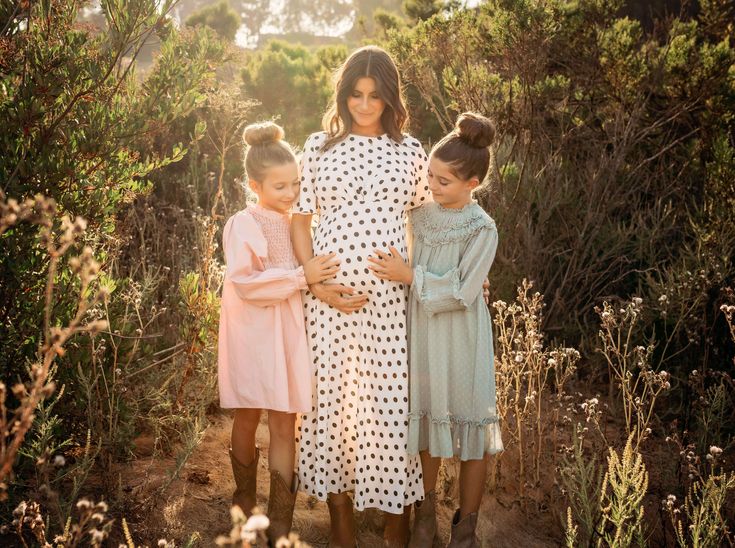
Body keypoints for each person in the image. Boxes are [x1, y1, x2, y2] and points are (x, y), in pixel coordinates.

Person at [290, 45, 430, 548]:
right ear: (343, 94)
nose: (365, 105)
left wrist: (424, 271)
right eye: (356, 94)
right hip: (326, 305)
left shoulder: (412, 152)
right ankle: (341, 525)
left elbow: (426, 221)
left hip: (389, 304)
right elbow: (300, 220)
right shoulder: (317, 147)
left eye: (375, 96)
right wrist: (313, 280)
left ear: (390, 98)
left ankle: (397, 526)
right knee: (331, 409)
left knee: (389, 410)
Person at [367, 112, 503, 548]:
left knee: (472, 436)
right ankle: (424, 516)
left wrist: (410, 277)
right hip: (424, 335)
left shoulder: (483, 228)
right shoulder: (419, 217)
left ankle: (466, 531)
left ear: (473, 183)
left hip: (463, 338)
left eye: (443, 181)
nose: (432, 186)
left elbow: (464, 292)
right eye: (430, 175)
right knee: (426, 425)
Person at [218, 122, 340, 544]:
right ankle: (245, 504)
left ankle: (281, 524)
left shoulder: (299, 224)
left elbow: (318, 266)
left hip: (288, 336)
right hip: (252, 335)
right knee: (248, 415)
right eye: (281, 186)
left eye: (296, 184)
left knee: (287, 424)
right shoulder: (243, 223)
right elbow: (245, 283)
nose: (291, 193)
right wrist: (299, 276)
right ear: (255, 184)